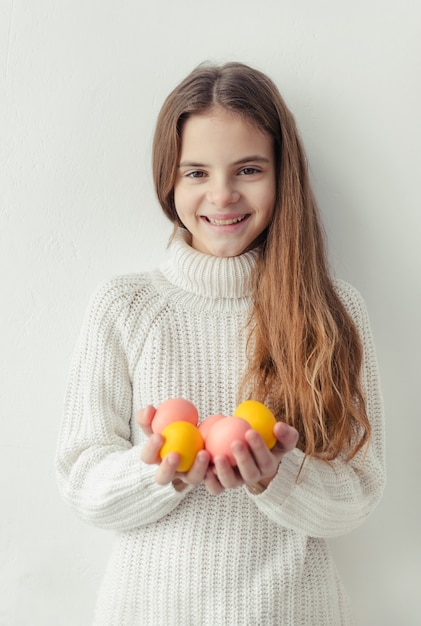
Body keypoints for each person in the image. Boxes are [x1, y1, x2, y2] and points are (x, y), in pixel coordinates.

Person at [56, 62, 385, 625]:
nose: (223, 194)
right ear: (169, 179)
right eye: (196, 173)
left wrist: (272, 476)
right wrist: (159, 469)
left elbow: (357, 493)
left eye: (249, 169)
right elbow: (81, 481)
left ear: (284, 173)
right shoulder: (124, 307)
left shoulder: (334, 311)